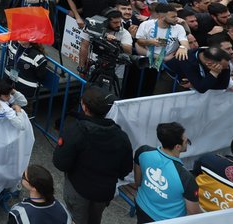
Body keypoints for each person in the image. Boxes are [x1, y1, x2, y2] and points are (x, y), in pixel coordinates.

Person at [52, 85, 133, 224]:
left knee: (75, 219)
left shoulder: (75, 131)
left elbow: (60, 162)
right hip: (103, 193)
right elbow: (125, 169)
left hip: (78, 190)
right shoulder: (121, 136)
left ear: (84, 107)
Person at [133, 122, 200, 222]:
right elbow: (194, 213)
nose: (187, 143)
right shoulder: (186, 178)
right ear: (177, 147)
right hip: (166, 220)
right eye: (186, 141)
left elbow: (137, 182)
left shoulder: (143, 152)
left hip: (141, 206)